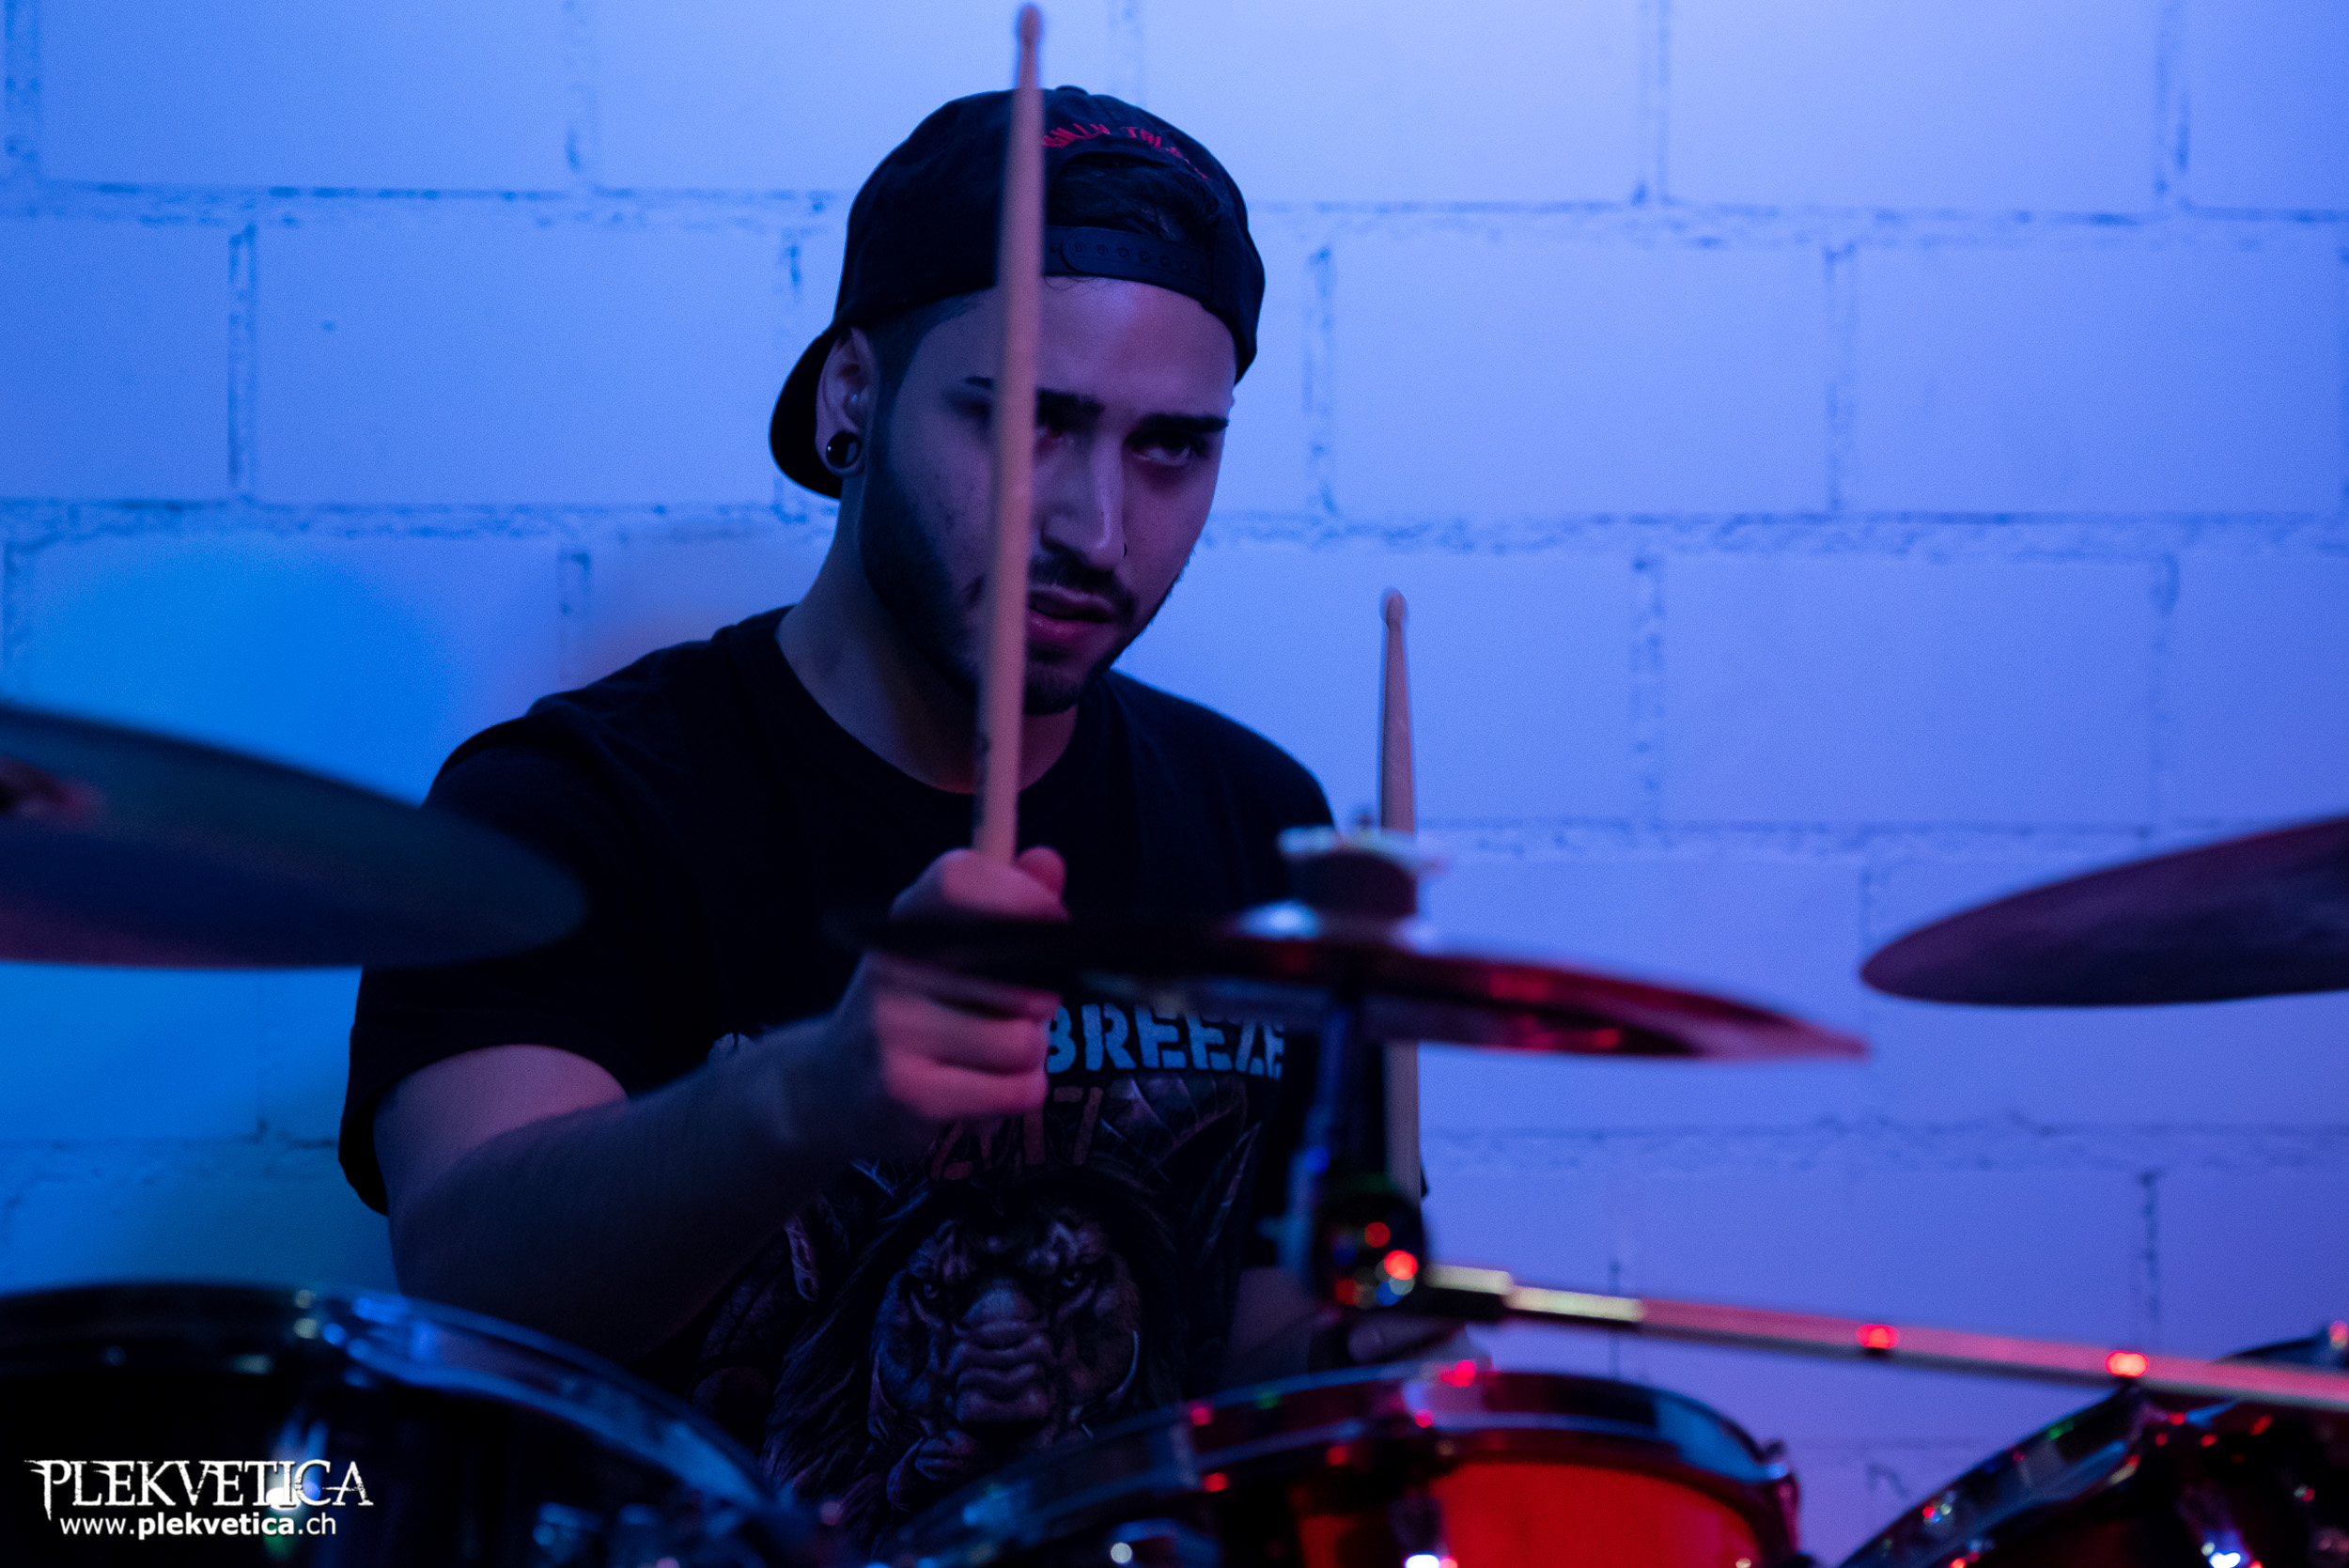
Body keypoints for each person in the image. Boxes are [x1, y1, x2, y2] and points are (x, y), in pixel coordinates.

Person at [338, 86, 1440, 1545]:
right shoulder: (564, 806)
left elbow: (1243, 1361)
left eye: (1172, 447)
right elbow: (469, 1275)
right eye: (1029, 419)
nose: (1097, 527)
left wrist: (1355, 1353)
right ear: (850, 392)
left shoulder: (1255, 822)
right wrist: (808, 1093)